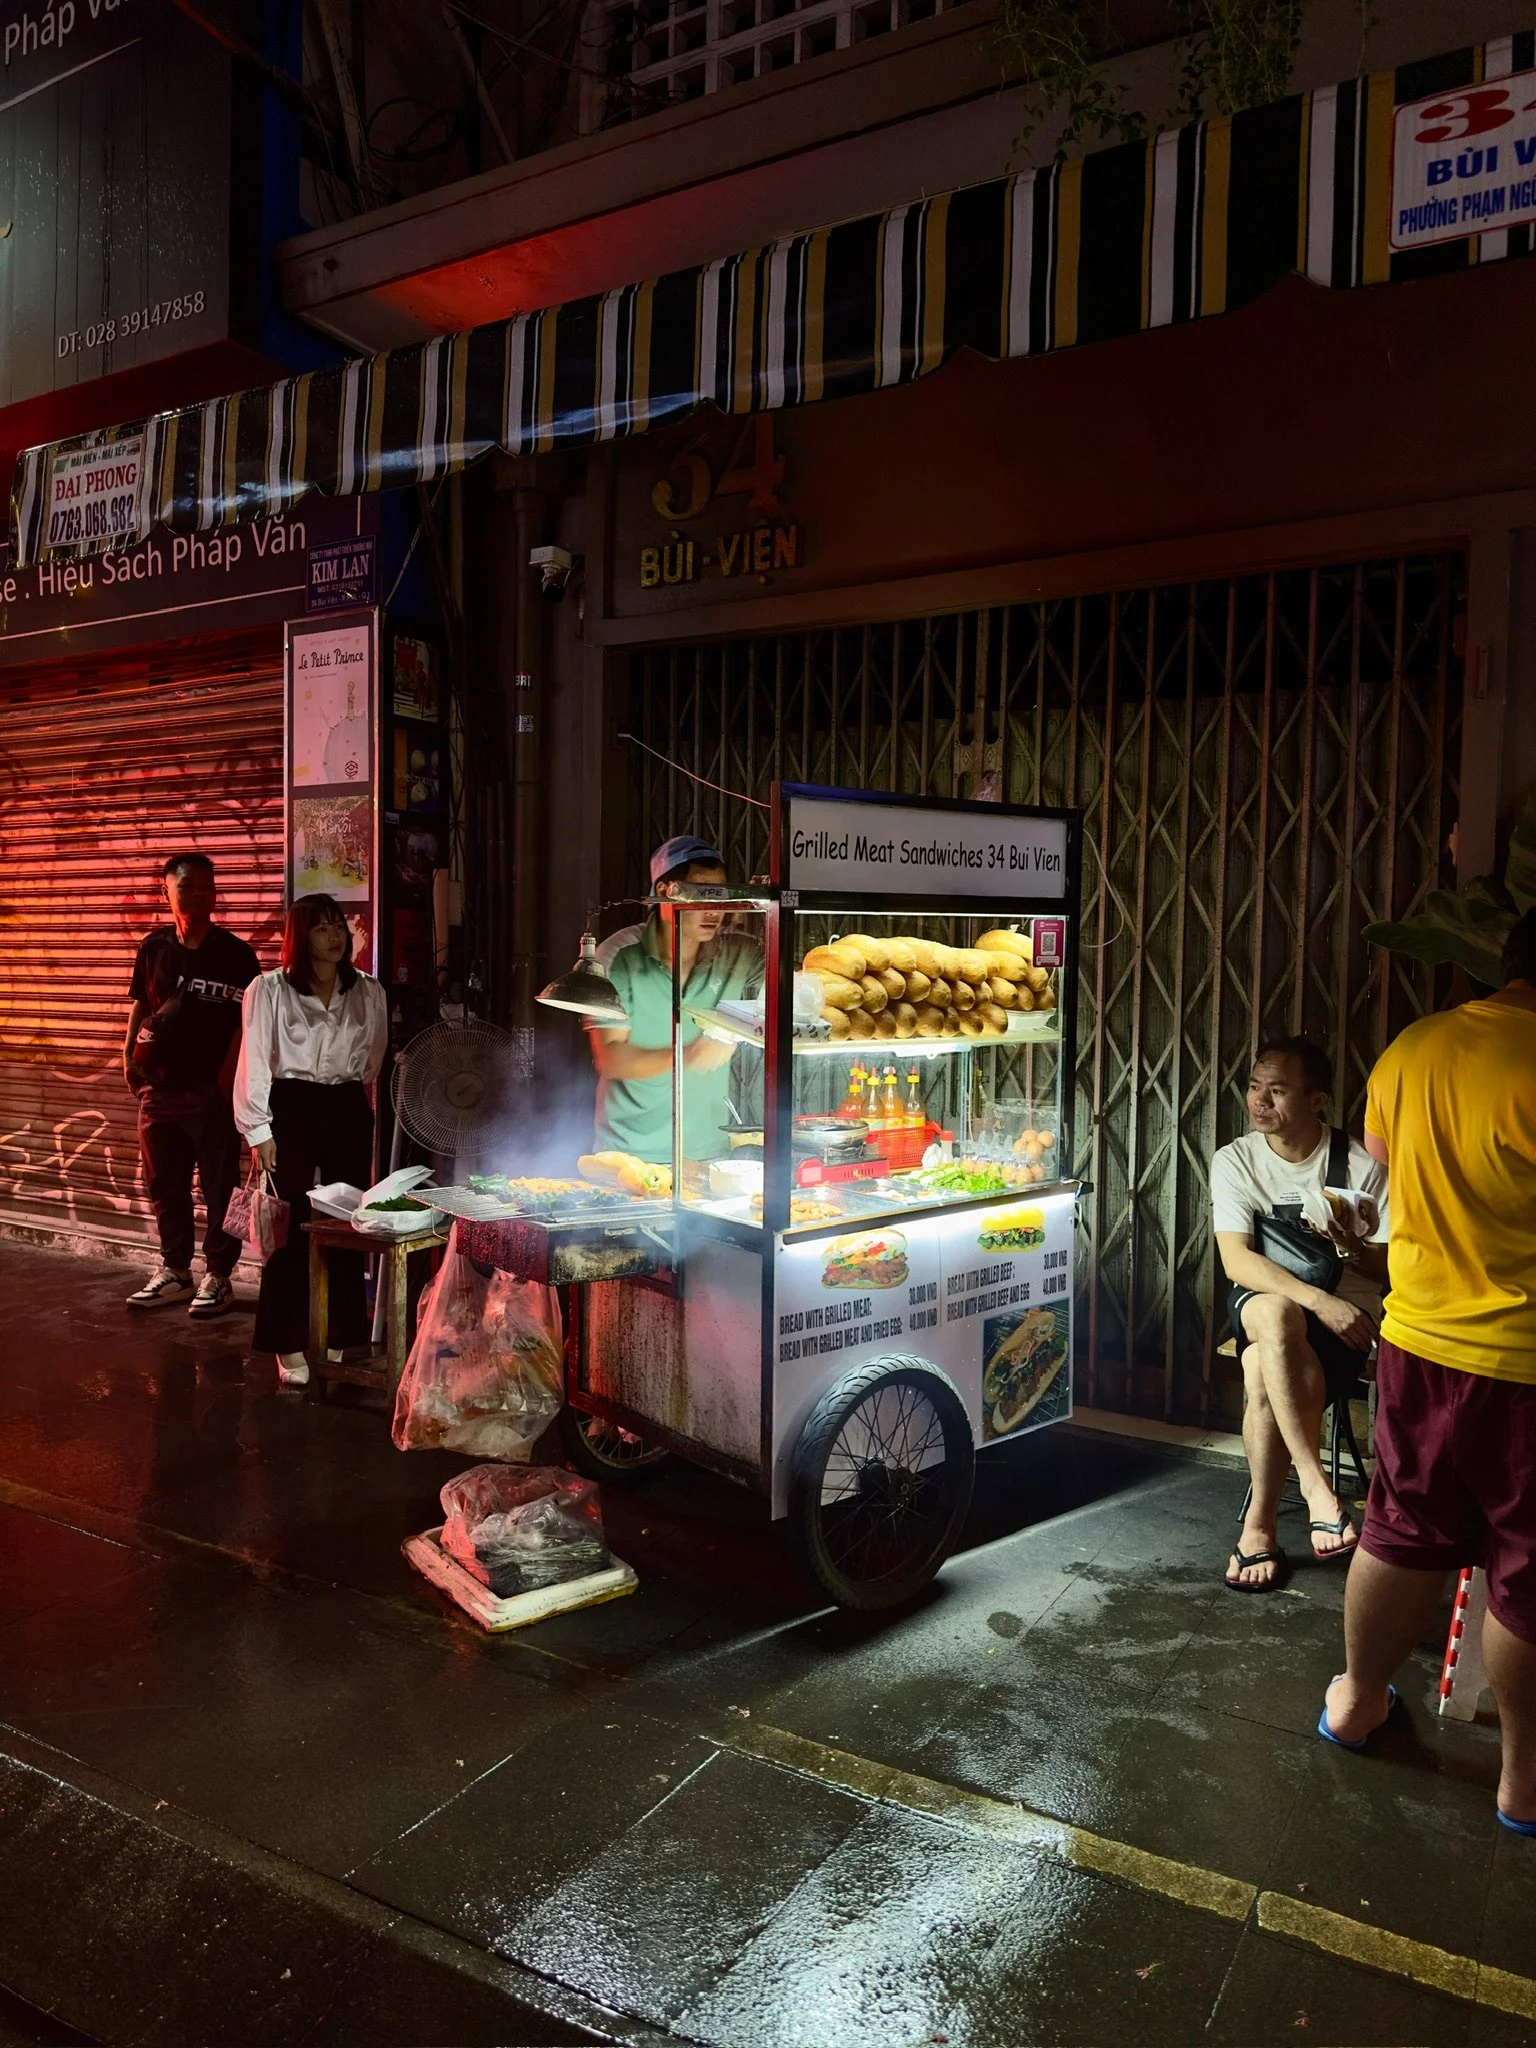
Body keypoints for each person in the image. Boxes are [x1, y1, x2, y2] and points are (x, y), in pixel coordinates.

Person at [1321, 911, 1536, 1835]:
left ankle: (1357, 1702)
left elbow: (1380, 1188)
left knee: (1397, 1527)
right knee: (1527, 1570)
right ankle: (1523, 1784)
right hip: (1526, 1364)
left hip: (1416, 1341)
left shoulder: (1414, 1048)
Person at [1210, 1035, 1390, 1591]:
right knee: (1277, 1314)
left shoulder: (1360, 1165)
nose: (1259, 1101)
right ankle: (1317, 1486)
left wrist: (1355, 1246)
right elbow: (1236, 1259)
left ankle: (1259, 1527)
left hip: (1346, 1321)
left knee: (1261, 1362)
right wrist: (1320, 1301)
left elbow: (1391, 1271)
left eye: (1278, 1090)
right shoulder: (1236, 1159)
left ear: (1316, 1101)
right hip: (1285, 1303)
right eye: (1254, 1087)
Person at [233, 895, 388, 1387]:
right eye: (321, 929)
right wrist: (259, 1131)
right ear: (301, 936)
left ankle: (342, 1335)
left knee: (347, 1222)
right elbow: (255, 1061)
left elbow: (373, 1061)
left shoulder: (367, 990)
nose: (335, 936)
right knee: (289, 1226)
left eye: (338, 926)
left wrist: (354, 1106)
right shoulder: (270, 990)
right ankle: (287, 1341)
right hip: (291, 1107)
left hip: (345, 1105)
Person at [124, 853, 260, 1317]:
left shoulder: (237, 955)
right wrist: (128, 1057)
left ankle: (219, 1277)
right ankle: (176, 1271)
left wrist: (228, 1079)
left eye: (207, 886)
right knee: (165, 1185)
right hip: (158, 1090)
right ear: (167, 891)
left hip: (211, 1093)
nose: (199, 894)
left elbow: (248, 1024)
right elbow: (142, 1003)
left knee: (220, 1187)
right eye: (187, 886)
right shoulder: (154, 948)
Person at [588, 835, 762, 1165]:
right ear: (667, 891)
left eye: (720, 897)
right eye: (701, 896)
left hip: (707, 1153)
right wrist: (690, 1054)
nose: (714, 912)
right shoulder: (617, 957)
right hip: (628, 1156)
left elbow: (799, 982)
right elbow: (611, 1059)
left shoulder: (738, 953)